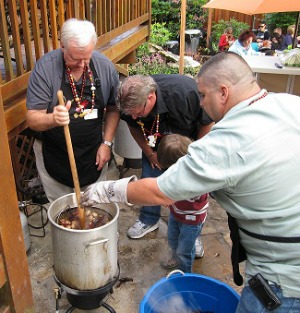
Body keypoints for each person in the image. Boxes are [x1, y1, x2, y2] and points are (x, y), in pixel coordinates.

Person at [82, 52, 300, 313]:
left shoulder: (226, 143)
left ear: (223, 92)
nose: (200, 103)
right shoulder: (290, 103)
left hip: (281, 283)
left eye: (203, 95)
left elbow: (161, 192)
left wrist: (106, 189)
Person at [26, 18, 120, 203]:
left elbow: (113, 109)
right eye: (75, 59)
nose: (83, 65)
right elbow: (32, 118)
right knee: (64, 211)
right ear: (62, 47)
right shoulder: (45, 69)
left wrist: (107, 143)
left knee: (96, 207)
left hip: (93, 151)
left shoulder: (104, 67)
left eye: (87, 57)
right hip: (55, 152)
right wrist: (53, 119)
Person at [116, 74, 213, 244]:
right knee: (150, 178)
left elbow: (207, 122)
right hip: (154, 144)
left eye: (138, 112)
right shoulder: (128, 103)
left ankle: (191, 234)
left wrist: (196, 154)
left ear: (151, 96)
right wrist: (149, 153)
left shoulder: (185, 92)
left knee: (190, 191)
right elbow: (134, 128)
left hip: (186, 146)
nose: (133, 116)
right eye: (130, 113)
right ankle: (148, 218)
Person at [157, 134, 209, 272]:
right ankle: (176, 258)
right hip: (177, 212)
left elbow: (189, 193)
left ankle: (185, 274)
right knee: (173, 239)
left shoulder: (198, 176)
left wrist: (169, 196)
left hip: (192, 219)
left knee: (185, 250)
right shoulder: (175, 174)